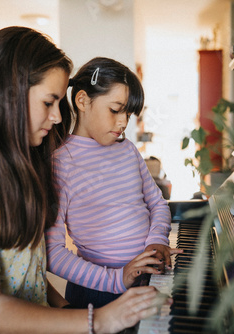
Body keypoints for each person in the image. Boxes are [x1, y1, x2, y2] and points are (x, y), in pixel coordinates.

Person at [0, 27, 165, 334]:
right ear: (9, 94)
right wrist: (99, 319)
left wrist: (69, 311)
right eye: (49, 102)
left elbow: (25, 274)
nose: (58, 117)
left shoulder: (14, 168)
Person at [46, 57, 181, 309]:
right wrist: (117, 279)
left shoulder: (127, 149)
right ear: (83, 101)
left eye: (128, 114)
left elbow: (158, 204)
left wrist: (157, 240)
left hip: (147, 277)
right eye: (115, 110)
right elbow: (53, 254)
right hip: (98, 293)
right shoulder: (60, 164)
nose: (123, 123)